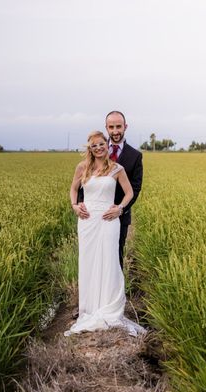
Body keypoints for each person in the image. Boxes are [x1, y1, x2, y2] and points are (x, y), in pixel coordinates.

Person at [65, 131, 146, 337]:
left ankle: (109, 306)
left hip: (109, 220)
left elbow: (129, 192)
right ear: (90, 149)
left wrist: (120, 208)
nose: (99, 148)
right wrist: (75, 206)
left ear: (107, 145)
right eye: (94, 146)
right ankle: (90, 307)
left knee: (109, 260)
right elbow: (73, 189)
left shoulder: (117, 169)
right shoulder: (82, 168)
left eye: (102, 144)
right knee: (89, 261)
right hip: (87, 221)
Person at [77, 111, 143, 268]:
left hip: (119, 216)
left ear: (125, 127)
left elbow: (135, 187)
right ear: (106, 128)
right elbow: (84, 182)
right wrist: (80, 204)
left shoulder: (135, 156)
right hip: (91, 215)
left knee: (114, 259)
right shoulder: (97, 150)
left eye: (118, 126)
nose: (115, 131)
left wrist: (120, 209)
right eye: (111, 127)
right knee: (91, 257)